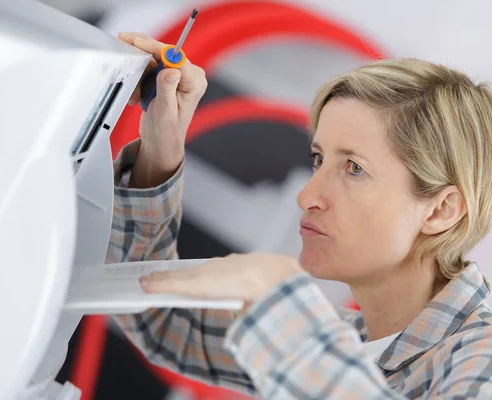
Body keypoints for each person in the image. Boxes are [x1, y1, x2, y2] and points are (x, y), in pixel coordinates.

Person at [105, 32, 492, 399]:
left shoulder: (482, 358)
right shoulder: (351, 343)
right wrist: (161, 146)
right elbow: (164, 324)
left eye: (354, 168)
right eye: (318, 159)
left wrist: (277, 298)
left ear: (441, 211)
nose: (307, 196)